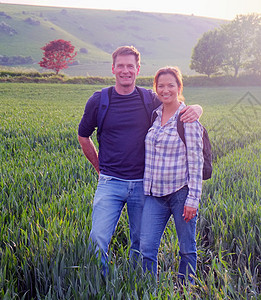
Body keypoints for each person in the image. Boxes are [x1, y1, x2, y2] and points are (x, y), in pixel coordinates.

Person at [77, 46, 202, 275]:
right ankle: (102, 285)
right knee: (97, 238)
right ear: (113, 68)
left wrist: (197, 108)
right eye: (121, 66)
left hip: (144, 186)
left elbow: (174, 104)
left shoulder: (149, 99)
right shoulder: (99, 100)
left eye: (130, 66)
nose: (126, 71)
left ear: (138, 69)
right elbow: (83, 135)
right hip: (110, 183)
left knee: (140, 243)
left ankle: (137, 284)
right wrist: (99, 167)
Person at [140, 66, 203, 285]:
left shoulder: (187, 118)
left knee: (187, 248)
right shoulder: (155, 115)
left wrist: (193, 199)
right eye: (161, 86)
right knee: (146, 248)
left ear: (179, 87)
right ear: (155, 88)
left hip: (180, 193)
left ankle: (187, 289)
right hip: (153, 195)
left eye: (171, 85)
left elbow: (196, 161)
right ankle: (148, 289)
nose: (165, 90)